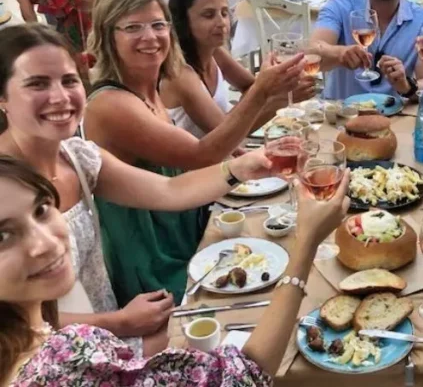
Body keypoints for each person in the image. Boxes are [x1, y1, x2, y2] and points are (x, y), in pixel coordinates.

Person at [0, 22, 311, 357]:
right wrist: (118, 321)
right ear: (2, 98)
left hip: (99, 333)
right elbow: (17, 323)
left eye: (69, 80)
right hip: (57, 355)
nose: (60, 97)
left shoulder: (77, 157)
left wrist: (243, 165)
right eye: (37, 84)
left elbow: (170, 190)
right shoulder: (7, 188)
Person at [0, 155, 352, 386]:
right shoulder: (61, 365)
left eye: (43, 209)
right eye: (3, 235)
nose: (43, 242)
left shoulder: (38, 338)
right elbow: (243, 378)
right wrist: (304, 244)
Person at [83, 0, 307, 306]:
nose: (150, 36)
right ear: (107, 36)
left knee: (285, 248)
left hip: (189, 231)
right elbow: (202, 155)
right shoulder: (110, 104)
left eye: (158, 24)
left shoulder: (149, 87)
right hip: (154, 260)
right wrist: (262, 91)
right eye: (132, 27)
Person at [165, 0, 315, 139]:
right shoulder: (181, 74)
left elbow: (251, 87)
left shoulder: (214, 51)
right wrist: (277, 101)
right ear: (183, 22)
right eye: (208, 15)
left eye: (224, 13)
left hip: (224, 154)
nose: (221, 22)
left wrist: (271, 92)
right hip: (198, 162)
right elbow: (222, 137)